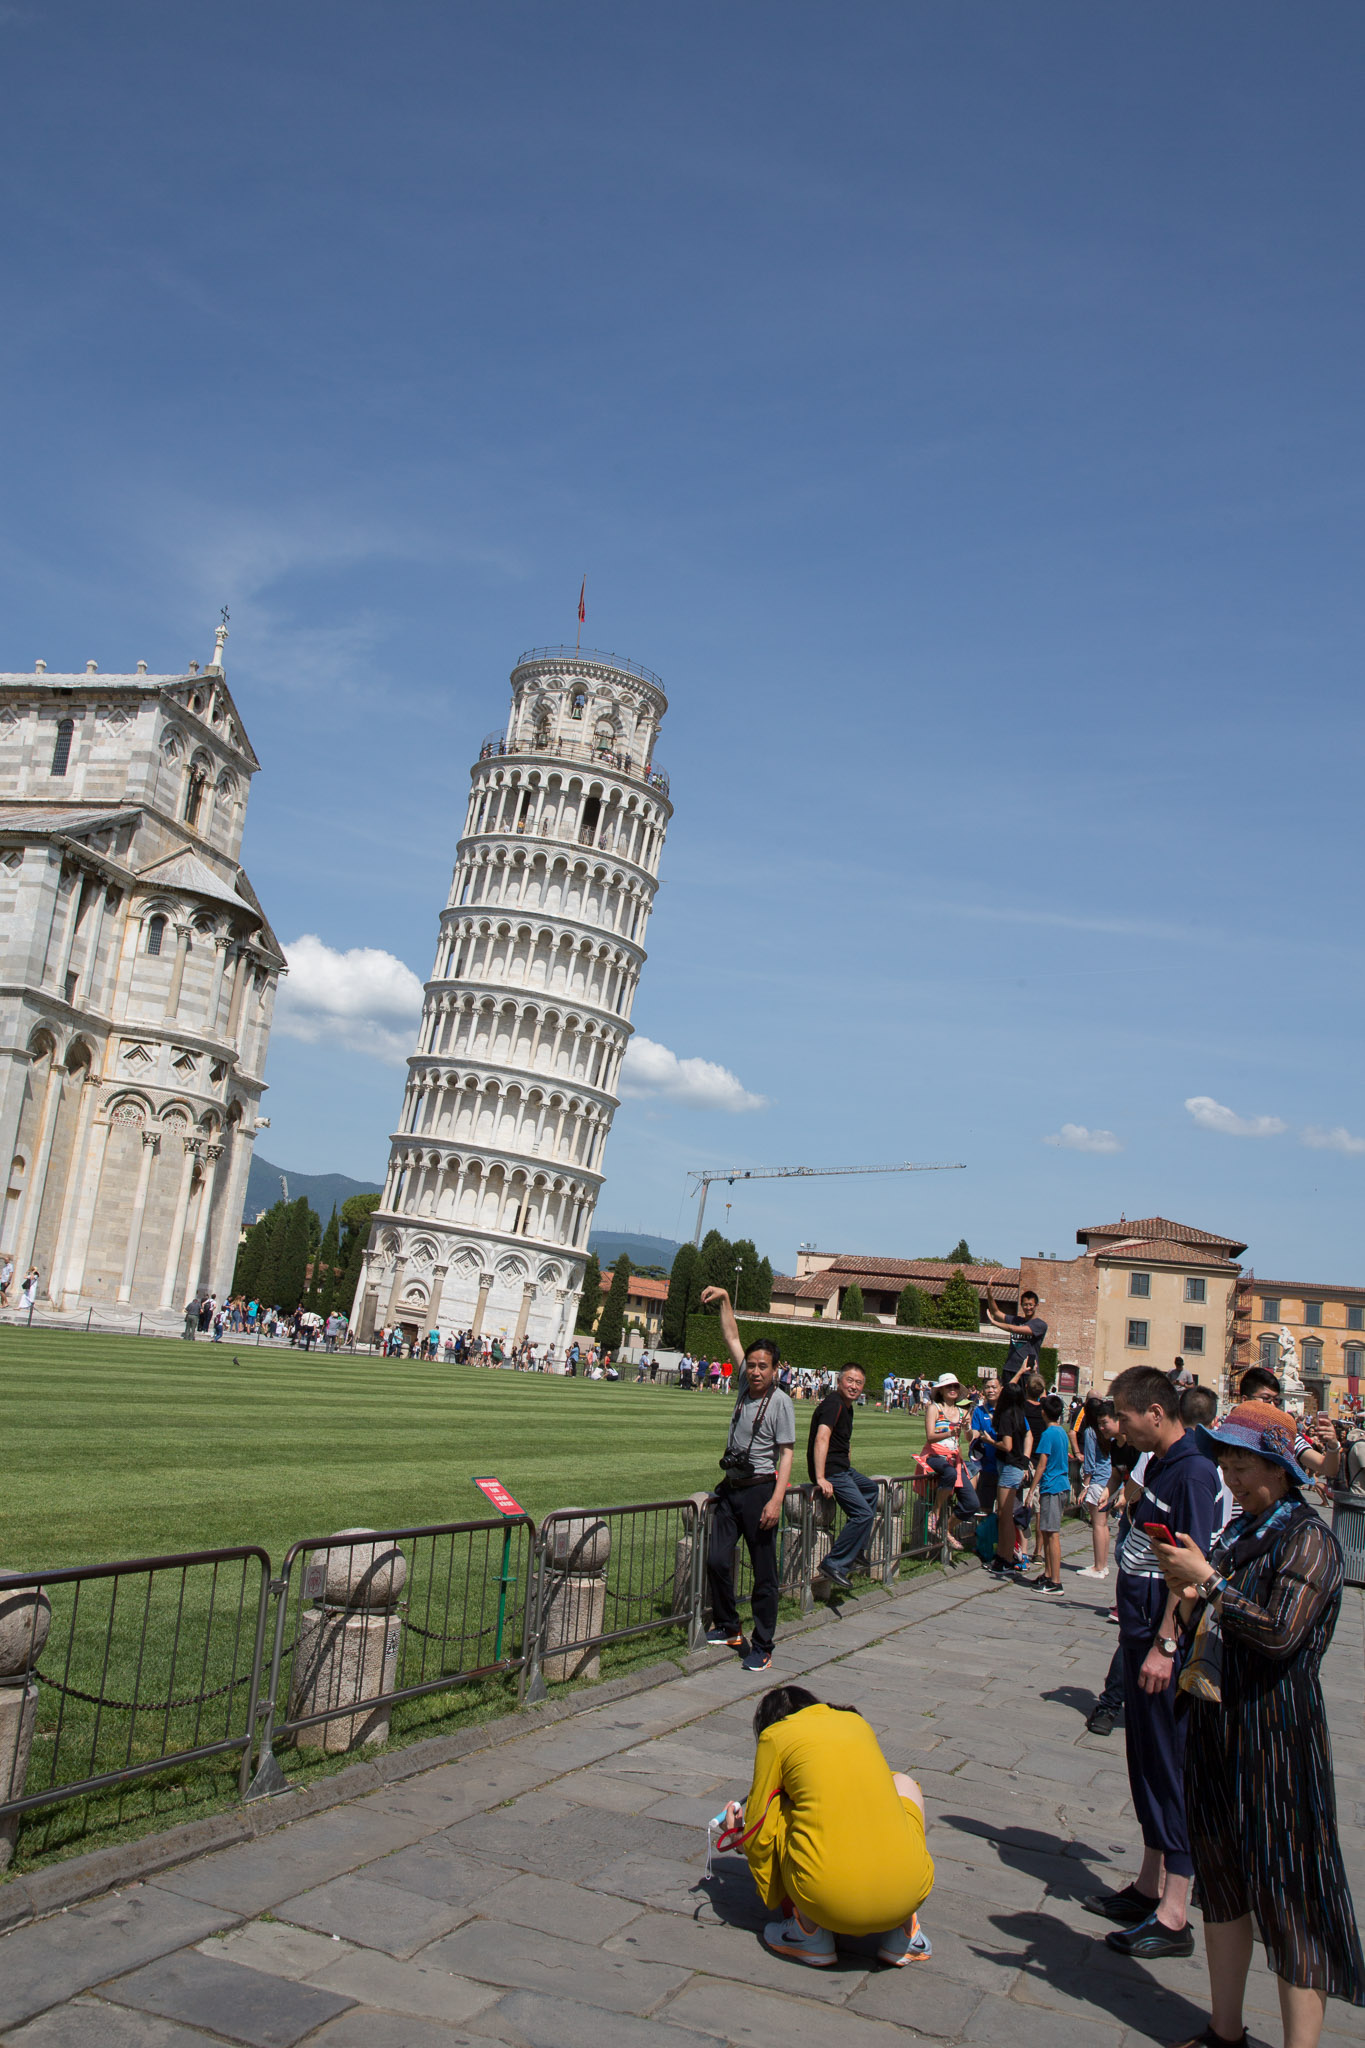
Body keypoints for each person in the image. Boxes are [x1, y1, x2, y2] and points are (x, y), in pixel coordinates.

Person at [1151, 1401, 1365, 2048]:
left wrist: (1211, 1585)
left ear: (1278, 1467)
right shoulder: (1241, 1530)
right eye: (1225, 1464)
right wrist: (1190, 1592)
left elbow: (1279, 1634)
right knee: (1222, 1883)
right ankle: (1224, 2032)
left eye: (1242, 1465)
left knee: (1292, 1898)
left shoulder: (1309, 1538)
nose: (1230, 1478)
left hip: (1278, 1737)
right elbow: (1217, 1616)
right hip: (1220, 1726)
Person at [1084, 1365, 1218, 1960]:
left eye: (1124, 1415)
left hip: (1164, 1645)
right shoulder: (1159, 1464)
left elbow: (1191, 1573)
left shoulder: (1192, 1472)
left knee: (1168, 1765)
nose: (1117, 1426)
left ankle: (1175, 1911)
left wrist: (1167, 1644)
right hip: (1139, 1635)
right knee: (1144, 1760)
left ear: (1155, 1414)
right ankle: (1148, 1883)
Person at [721, 1685, 934, 1968]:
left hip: (825, 1901)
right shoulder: (855, 1722)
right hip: (909, 1895)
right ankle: (904, 1933)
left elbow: (759, 1826)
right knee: (902, 1783)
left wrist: (737, 1835)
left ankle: (809, 1932)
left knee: (779, 1806)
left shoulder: (775, 1736)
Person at [700, 1286, 796, 1674]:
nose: (755, 1371)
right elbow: (732, 1337)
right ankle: (729, 1626)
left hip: (759, 1492)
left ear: (775, 1370)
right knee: (716, 1559)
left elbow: (786, 1454)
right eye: (752, 1365)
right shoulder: (743, 1385)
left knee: (764, 1574)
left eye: (763, 1366)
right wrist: (726, 1299)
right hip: (731, 1488)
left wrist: (776, 1500)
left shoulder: (781, 1402)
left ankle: (764, 1644)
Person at [808, 1364, 878, 1593]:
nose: (854, 1386)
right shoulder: (834, 1404)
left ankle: (857, 1550)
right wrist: (820, 1477)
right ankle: (834, 1562)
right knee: (863, 1514)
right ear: (839, 1382)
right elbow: (822, 1438)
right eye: (850, 1380)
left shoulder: (847, 1407)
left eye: (859, 1383)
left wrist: (848, 1466)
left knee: (871, 1490)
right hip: (831, 1471)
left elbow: (844, 1443)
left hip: (842, 1469)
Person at [922, 1373, 980, 1549]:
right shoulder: (934, 1409)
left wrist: (967, 1428)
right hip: (935, 1456)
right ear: (941, 1390)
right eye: (949, 1386)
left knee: (972, 1504)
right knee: (949, 1472)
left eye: (955, 1386)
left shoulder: (962, 1412)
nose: (953, 1389)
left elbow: (968, 1438)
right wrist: (950, 1433)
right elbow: (930, 1436)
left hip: (954, 1459)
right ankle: (935, 1512)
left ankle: (945, 1529)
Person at [1023, 1393, 1070, 1595]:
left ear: (1043, 1412)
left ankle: (1056, 1581)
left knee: (1052, 1535)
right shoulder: (1061, 1432)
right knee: (1049, 1532)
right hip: (1062, 1484)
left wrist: (1032, 1490)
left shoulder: (1047, 1434)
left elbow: (1041, 1464)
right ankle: (1049, 1574)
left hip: (1052, 1486)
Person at [986, 1377, 1032, 1578]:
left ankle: (1005, 1557)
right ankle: (1007, 1555)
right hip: (1016, 1466)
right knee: (1006, 1514)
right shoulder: (1020, 1414)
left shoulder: (1006, 1416)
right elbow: (1029, 1436)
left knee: (1005, 1515)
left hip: (1010, 1466)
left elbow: (1007, 1445)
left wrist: (989, 1441)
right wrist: (1026, 1459)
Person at [1074, 1396, 1118, 1579]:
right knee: (1104, 1524)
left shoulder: (1091, 1432)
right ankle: (1103, 1564)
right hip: (1111, 1481)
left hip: (1098, 1481)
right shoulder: (1110, 1433)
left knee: (1098, 1525)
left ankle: (1098, 1567)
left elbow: (1089, 1464)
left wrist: (1085, 1486)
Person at [984, 1283, 1047, 1387]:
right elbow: (995, 1311)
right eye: (1025, 1304)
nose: (1028, 1307)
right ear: (1021, 1305)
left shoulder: (1040, 1325)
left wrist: (995, 1323)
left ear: (1036, 1306)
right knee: (1008, 1395)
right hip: (1009, 1368)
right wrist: (989, 1292)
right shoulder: (1015, 1320)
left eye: (1031, 1305)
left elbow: (1014, 1329)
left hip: (1027, 1371)